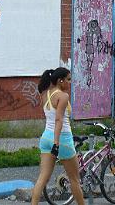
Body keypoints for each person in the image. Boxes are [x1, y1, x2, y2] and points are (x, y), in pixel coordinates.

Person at [31, 67, 84, 205]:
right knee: (74, 180)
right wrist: (56, 143)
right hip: (62, 139)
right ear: (60, 80)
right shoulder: (63, 96)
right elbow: (59, 120)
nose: (70, 82)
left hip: (45, 138)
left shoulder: (45, 94)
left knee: (42, 179)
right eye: (68, 79)